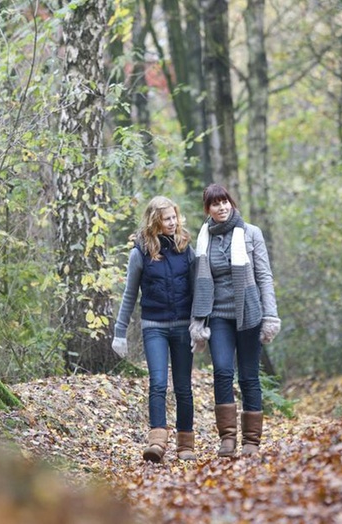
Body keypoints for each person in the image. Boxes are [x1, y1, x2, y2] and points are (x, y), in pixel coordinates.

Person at [190, 184, 280, 457]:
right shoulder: (204, 237)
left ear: (231, 202)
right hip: (218, 315)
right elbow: (199, 281)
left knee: (249, 376)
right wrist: (197, 319)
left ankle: (251, 441)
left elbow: (264, 276)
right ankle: (227, 439)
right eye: (215, 204)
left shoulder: (251, 233)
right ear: (208, 209)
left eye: (225, 201)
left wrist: (270, 315)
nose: (222, 207)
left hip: (249, 314)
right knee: (222, 372)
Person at [111, 196, 199, 462]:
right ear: (154, 221)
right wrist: (119, 331)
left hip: (184, 327)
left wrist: (200, 323)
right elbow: (129, 294)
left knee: (183, 387)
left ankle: (186, 444)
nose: (173, 223)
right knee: (158, 383)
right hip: (154, 327)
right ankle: (157, 442)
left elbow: (198, 288)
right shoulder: (140, 253)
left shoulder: (187, 248)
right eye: (167, 219)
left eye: (175, 217)